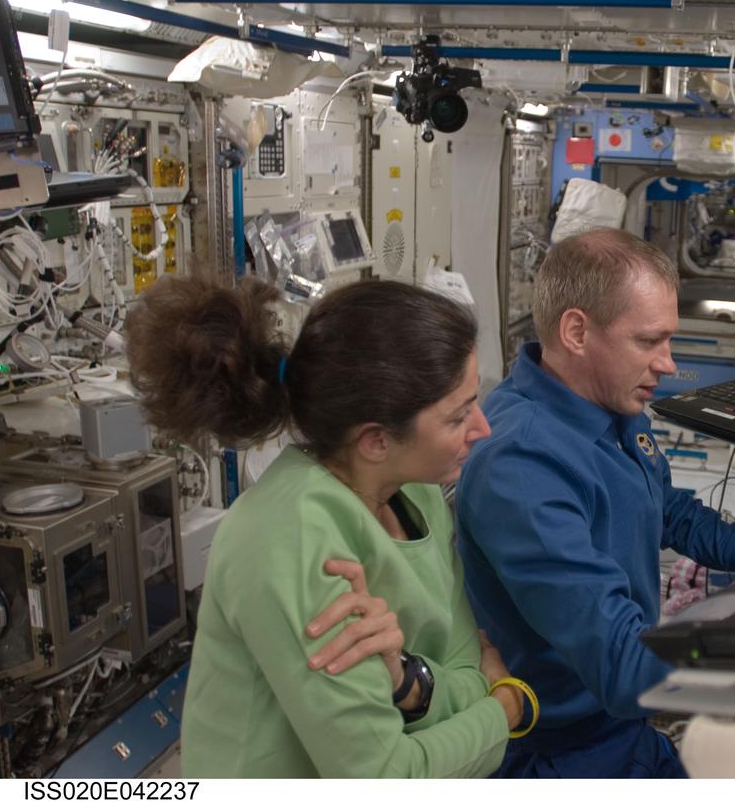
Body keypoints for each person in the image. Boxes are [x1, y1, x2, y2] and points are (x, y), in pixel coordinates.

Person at [125, 275, 531, 778]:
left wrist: (409, 681)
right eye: (458, 417)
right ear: (376, 440)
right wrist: (504, 709)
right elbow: (384, 775)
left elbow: (467, 667)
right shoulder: (291, 540)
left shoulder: (415, 492)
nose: (484, 429)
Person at [456, 229, 735, 778]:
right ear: (577, 331)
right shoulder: (522, 465)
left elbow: (665, 507)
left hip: (619, 726)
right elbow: (625, 667)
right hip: (561, 751)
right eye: (649, 341)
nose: (668, 363)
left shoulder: (607, 406)